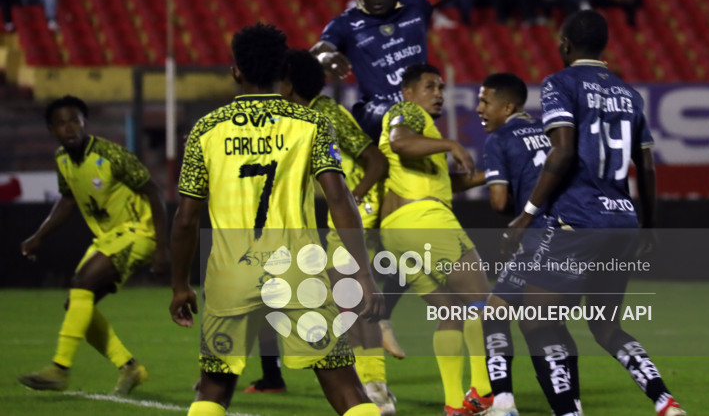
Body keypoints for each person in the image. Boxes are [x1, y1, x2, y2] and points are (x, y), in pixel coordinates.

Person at [169, 23, 385, 416]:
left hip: (229, 276)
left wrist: (180, 285)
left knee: (213, 389)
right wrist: (362, 275)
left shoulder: (206, 130)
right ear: (283, 71)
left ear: (235, 70)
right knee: (346, 388)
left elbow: (185, 219)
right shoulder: (311, 123)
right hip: (298, 272)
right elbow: (339, 200)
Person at [506, 10, 686, 416]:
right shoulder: (629, 93)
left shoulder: (560, 83)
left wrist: (528, 212)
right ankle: (664, 400)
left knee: (535, 321)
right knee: (605, 325)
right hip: (623, 222)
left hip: (579, 220)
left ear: (566, 44)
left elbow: (564, 150)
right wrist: (649, 226)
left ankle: (569, 412)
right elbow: (649, 166)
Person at [18, 95, 168, 394]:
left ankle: (59, 369)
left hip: (139, 230)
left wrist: (162, 248)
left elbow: (155, 194)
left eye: (75, 120)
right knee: (76, 303)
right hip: (109, 238)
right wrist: (39, 236)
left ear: (85, 122)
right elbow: (69, 199)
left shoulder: (111, 155)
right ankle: (129, 367)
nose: (70, 128)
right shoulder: (62, 159)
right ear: (51, 129)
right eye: (61, 123)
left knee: (82, 282)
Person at [278, 49, 396, 413]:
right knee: (344, 304)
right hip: (325, 224)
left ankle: (376, 388)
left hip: (349, 219)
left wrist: (353, 199)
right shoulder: (292, 117)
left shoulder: (327, 113)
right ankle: (369, 386)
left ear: (290, 83)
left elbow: (375, 160)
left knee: (353, 300)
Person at [378, 63, 492, 416]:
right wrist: (452, 142)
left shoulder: (424, 139)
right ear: (408, 93)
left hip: (397, 230)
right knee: (482, 301)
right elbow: (399, 142)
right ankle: (485, 391)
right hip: (424, 220)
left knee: (452, 312)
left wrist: (495, 174)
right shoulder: (405, 113)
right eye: (430, 87)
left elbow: (446, 184)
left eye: (441, 87)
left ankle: (455, 403)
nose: (439, 94)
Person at [312, 0, 480, 142]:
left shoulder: (417, 2)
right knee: (401, 116)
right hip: (374, 117)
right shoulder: (346, 23)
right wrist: (324, 59)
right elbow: (319, 49)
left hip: (417, 117)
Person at [475, 73, 551, 416]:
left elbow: (499, 201)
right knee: (545, 323)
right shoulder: (551, 131)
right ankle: (569, 405)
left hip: (538, 238)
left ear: (507, 107)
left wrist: (504, 186)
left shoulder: (500, 139)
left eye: (485, 102)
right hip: (576, 233)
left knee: (494, 313)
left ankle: (503, 403)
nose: (478, 109)